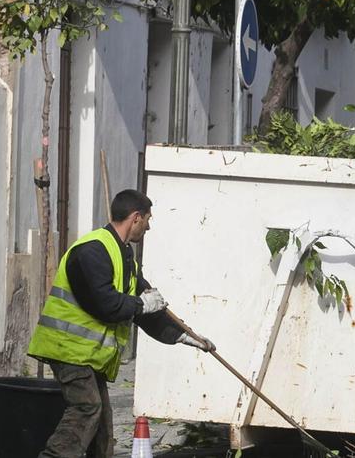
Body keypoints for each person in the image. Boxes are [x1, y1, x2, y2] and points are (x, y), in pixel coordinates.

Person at [28, 189, 216, 457]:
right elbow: (106, 305)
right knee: (87, 408)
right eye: (148, 220)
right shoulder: (91, 251)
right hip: (67, 349)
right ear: (136, 217)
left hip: (89, 356)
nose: (148, 227)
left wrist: (185, 337)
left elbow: (148, 312)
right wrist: (141, 304)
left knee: (102, 428)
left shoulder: (125, 258)